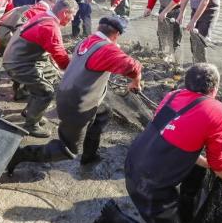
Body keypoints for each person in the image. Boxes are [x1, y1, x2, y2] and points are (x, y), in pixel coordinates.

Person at [90, 63, 222, 223]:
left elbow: (169, 134)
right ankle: (114, 218)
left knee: (196, 170)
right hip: (149, 186)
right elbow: (218, 160)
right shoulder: (218, 111)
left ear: (187, 83)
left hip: (134, 163)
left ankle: (175, 221)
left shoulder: (173, 96)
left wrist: (200, 162)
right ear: (214, 89)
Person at [8, 16, 141, 172]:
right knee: (68, 150)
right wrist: (136, 82)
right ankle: (21, 154)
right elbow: (133, 67)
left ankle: (89, 156)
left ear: (99, 27)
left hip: (74, 95)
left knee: (103, 113)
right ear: (117, 34)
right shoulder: (108, 50)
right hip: (77, 106)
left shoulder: (88, 41)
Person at [2, 0, 78, 137]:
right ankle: (31, 125)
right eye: (72, 15)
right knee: (46, 92)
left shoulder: (43, 15)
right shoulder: (51, 27)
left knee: (50, 77)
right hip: (19, 64)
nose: (73, 19)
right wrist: (77, 65)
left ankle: (30, 112)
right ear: (65, 13)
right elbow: (62, 61)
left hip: (18, 58)